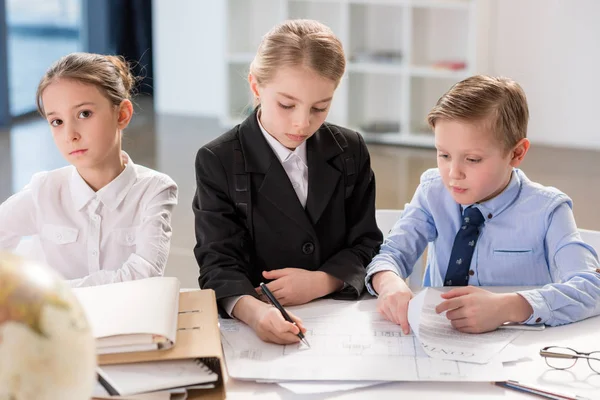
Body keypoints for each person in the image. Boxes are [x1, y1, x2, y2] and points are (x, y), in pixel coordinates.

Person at [193, 19, 382, 344]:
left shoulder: (350, 150)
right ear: (255, 86)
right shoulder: (218, 160)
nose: (302, 123)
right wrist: (253, 312)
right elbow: (217, 262)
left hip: (340, 320)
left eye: (320, 108)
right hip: (257, 323)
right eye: (286, 104)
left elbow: (367, 243)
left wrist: (323, 281)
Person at [366, 75, 600, 334]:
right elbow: (392, 253)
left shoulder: (549, 211)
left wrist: (509, 306)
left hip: (518, 352)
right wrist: (388, 282)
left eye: (473, 159)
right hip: (438, 343)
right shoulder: (433, 191)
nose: (454, 173)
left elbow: (591, 287)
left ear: (516, 153)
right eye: (443, 155)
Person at [0, 52, 178, 287]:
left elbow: (144, 275)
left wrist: (48, 291)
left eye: (84, 114)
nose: (70, 135)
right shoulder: (43, 191)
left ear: (122, 114)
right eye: (57, 122)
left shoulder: (155, 190)